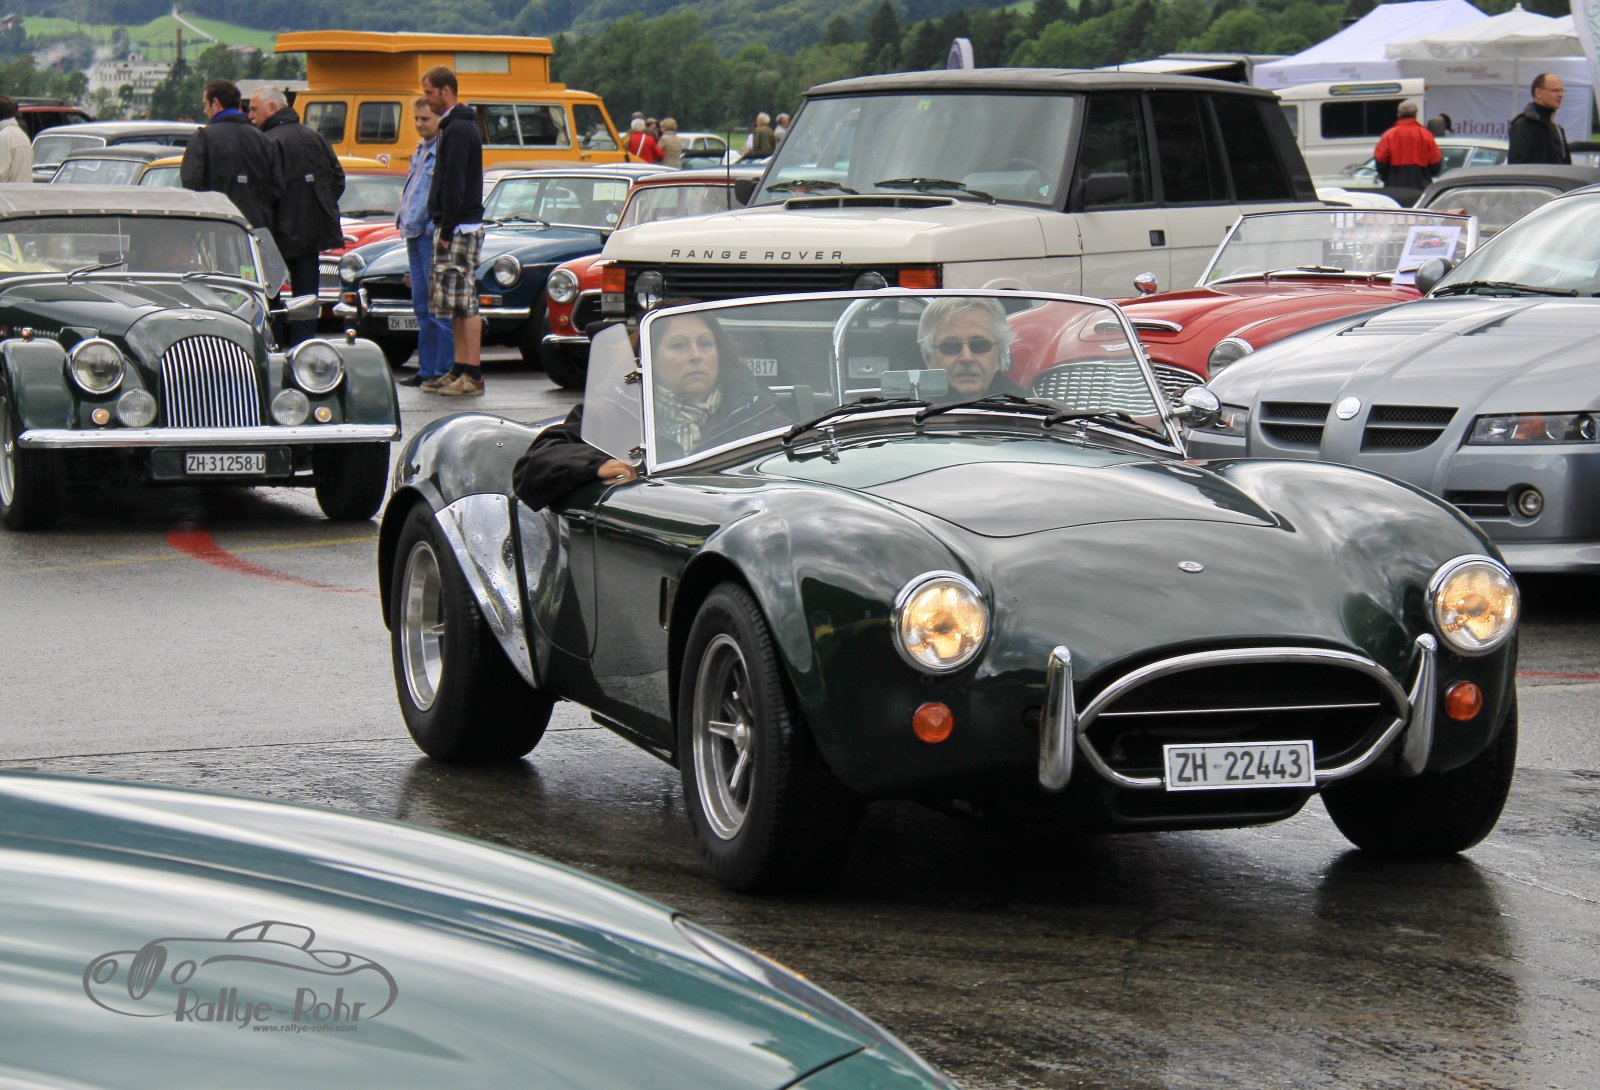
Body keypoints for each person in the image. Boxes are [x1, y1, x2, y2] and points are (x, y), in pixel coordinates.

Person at [512, 309, 784, 509]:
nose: (696, 356)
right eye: (679, 345)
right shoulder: (618, 410)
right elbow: (533, 467)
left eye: (705, 344)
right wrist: (597, 464)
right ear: (649, 359)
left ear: (719, 354)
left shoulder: (757, 411)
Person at [249, 86, 344, 346]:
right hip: (311, 234)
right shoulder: (315, 138)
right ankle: (305, 348)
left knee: (270, 297)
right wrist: (317, 208)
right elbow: (337, 179)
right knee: (307, 299)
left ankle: (275, 348)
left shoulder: (265, 142)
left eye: (254, 109)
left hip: (274, 234)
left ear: (272, 108)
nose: (250, 115)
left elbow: (262, 190)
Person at [421, 65, 488, 397]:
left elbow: (454, 182)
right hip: (454, 224)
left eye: (430, 92)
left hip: (460, 226)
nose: (426, 99)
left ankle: (472, 374)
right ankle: (459, 368)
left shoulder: (459, 129)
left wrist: (446, 227)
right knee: (455, 304)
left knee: (466, 301)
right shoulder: (454, 126)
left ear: (446, 91)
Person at [394, 96, 453, 389]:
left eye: (425, 119)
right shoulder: (420, 150)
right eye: (416, 119)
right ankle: (427, 368)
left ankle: (443, 369)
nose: (419, 124)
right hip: (413, 233)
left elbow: (439, 193)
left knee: (437, 306)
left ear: (439, 119)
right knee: (420, 304)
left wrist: (435, 227)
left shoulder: (442, 150)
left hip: (429, 234)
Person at [180, 79, 278, 231]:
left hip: (217, 224)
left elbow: (191, 183)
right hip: (257, 227)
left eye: (205, 104)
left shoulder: (204, 137)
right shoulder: (262, 138)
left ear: (216, 103)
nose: (204, 111)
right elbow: (277, 185)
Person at [916, 297, 1028, 400]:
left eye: (979, 345)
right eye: (951, 346)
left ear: (999, 352)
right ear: (928, 356)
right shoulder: (911, 407)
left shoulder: (1027, 407)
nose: (966, 358)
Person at [1372, 100, 1441, 191]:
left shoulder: (1389, 135)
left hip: (1394, 188)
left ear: (1398, 114)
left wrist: (1387, 177)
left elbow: (1380, 163)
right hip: (1420, 189)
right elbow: (1435, 166)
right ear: (1415, 114)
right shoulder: (1426, 135)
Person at [1509, 73, 1571, 165]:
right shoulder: (1524, 125)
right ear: (1538, 93)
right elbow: (1516, 166)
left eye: (1562, 90)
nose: (1561, 95)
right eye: (1555, 91)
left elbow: (1566, 166)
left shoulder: (1558, 129)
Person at [0, 96, 34, 183]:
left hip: (7, 191)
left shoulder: (3, 136)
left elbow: (1, 173)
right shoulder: (21, 134)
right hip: (23, 190)